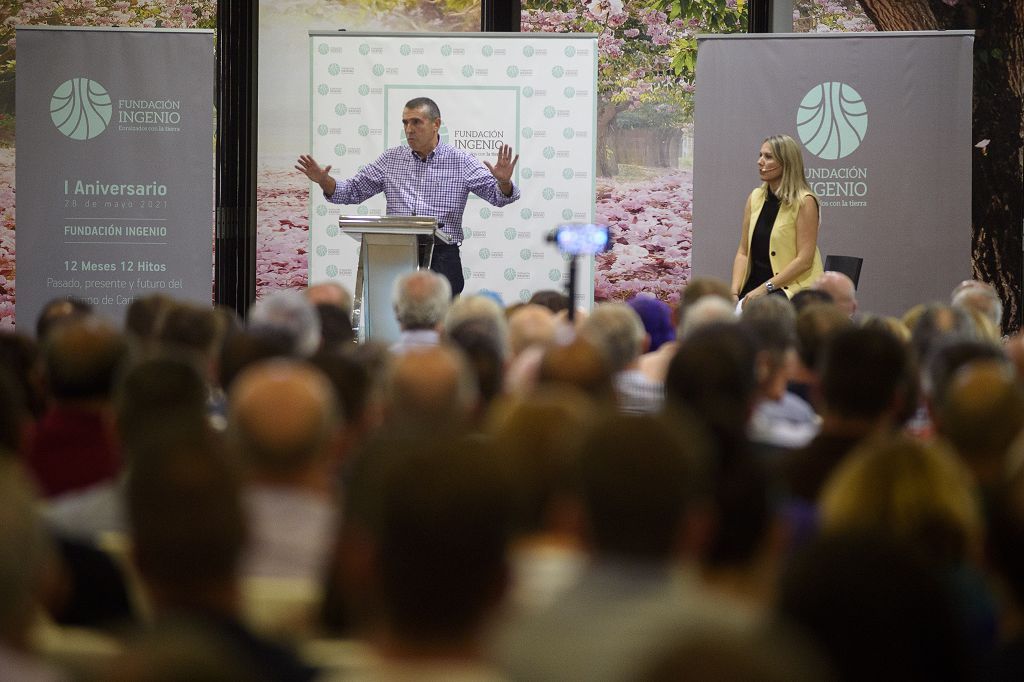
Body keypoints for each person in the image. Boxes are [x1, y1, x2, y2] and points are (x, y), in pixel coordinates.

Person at [296, 97, 520, 296]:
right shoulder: (391, 159)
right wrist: (324, 180)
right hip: (396, 252)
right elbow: (352, 191)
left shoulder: (460, 160)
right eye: (405, 123)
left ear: (436, 124)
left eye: (416, 122)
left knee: (441, 328)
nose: (409, 129)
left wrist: (503, 181)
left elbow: (499, 196)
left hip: (441, 257)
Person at [731, 134, 823, 304]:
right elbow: (743, 252)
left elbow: (804, 260)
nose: (760, 161)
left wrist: (765, 288)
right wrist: (734, 292)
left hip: (790, 288)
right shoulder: (755, 197)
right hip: (756, 286)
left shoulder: (805, 201)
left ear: (786, 163)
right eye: (760, 155)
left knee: (758, 313)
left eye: (768, 157)